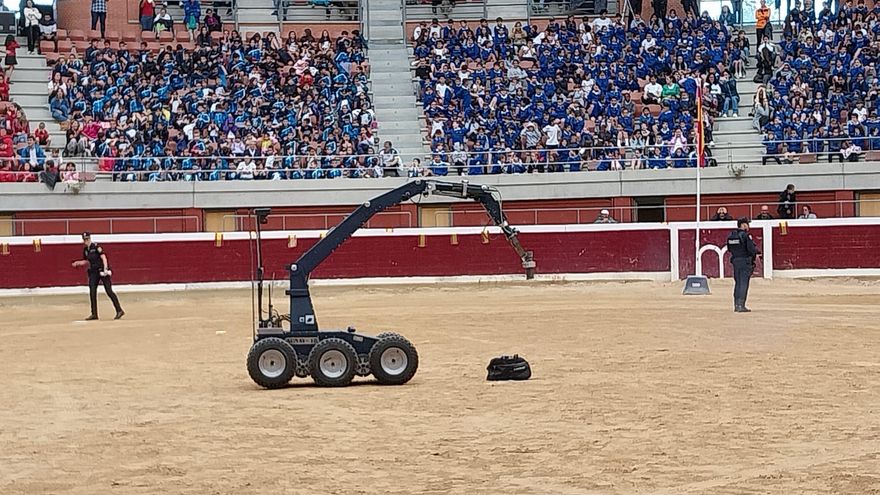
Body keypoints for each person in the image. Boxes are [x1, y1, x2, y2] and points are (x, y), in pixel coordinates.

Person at [72, 232, 124, 320]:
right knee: (92, 292)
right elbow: (87, 261)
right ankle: (94, 314)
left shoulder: (96, 247)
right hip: (93, 272)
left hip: (101, 270)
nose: (86, 241)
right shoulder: (86, 250)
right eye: (85, 239)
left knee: (109, 291)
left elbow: (103, 257)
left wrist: (105, 269)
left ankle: (119, 310)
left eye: (87, 239)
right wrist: (78, 263)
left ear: (90, 239)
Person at [726, 217, 758, 313]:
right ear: (743, 225)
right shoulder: (745, 236)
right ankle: (741, 305)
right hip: (744, 261)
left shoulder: (731, 235)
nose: (748, 226)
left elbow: (729, 249)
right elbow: (751, 250)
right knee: (743, 283)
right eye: (747, 224)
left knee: (738, 283)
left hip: (735, 260)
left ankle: (736, 304)